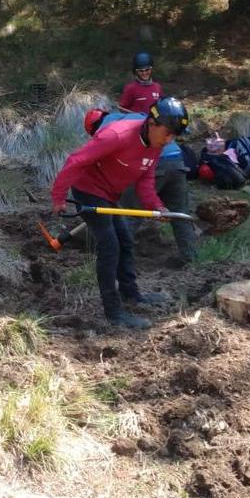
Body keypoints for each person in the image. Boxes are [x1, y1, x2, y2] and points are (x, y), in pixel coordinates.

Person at [52, 98, 190, 329]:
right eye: (167, 133)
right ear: (152, 123)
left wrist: (158, 206)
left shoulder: (155, 146)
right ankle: (114, 313)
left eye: (174, 136)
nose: (170, 140)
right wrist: (58, 196)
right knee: (110, 246)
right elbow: (76, 160)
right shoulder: (117, 135)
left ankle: (132, 294)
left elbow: (145, 181)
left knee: (125, 240)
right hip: (88, 191)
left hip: (110, 195)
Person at [85, 108, 197, 265]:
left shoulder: (107, 127)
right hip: (177, 162)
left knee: (130, 212)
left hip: (152, 163)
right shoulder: (136, 117)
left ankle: (116, 260)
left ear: (93, 127)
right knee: (179, 213)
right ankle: (191, 257)